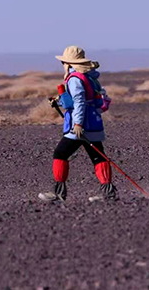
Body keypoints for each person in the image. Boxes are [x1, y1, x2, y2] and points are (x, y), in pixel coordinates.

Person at [38, 46, 117, 202]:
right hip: (93, 123)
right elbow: (82, 99)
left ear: (68, 63)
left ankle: (59, 194)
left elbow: (79, 102)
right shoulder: (88, 77)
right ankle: (108, 194)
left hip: (80, 126)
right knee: (98, 157)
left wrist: (78, 124)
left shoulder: (74, 79)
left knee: (60, 153)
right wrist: (60, 101)